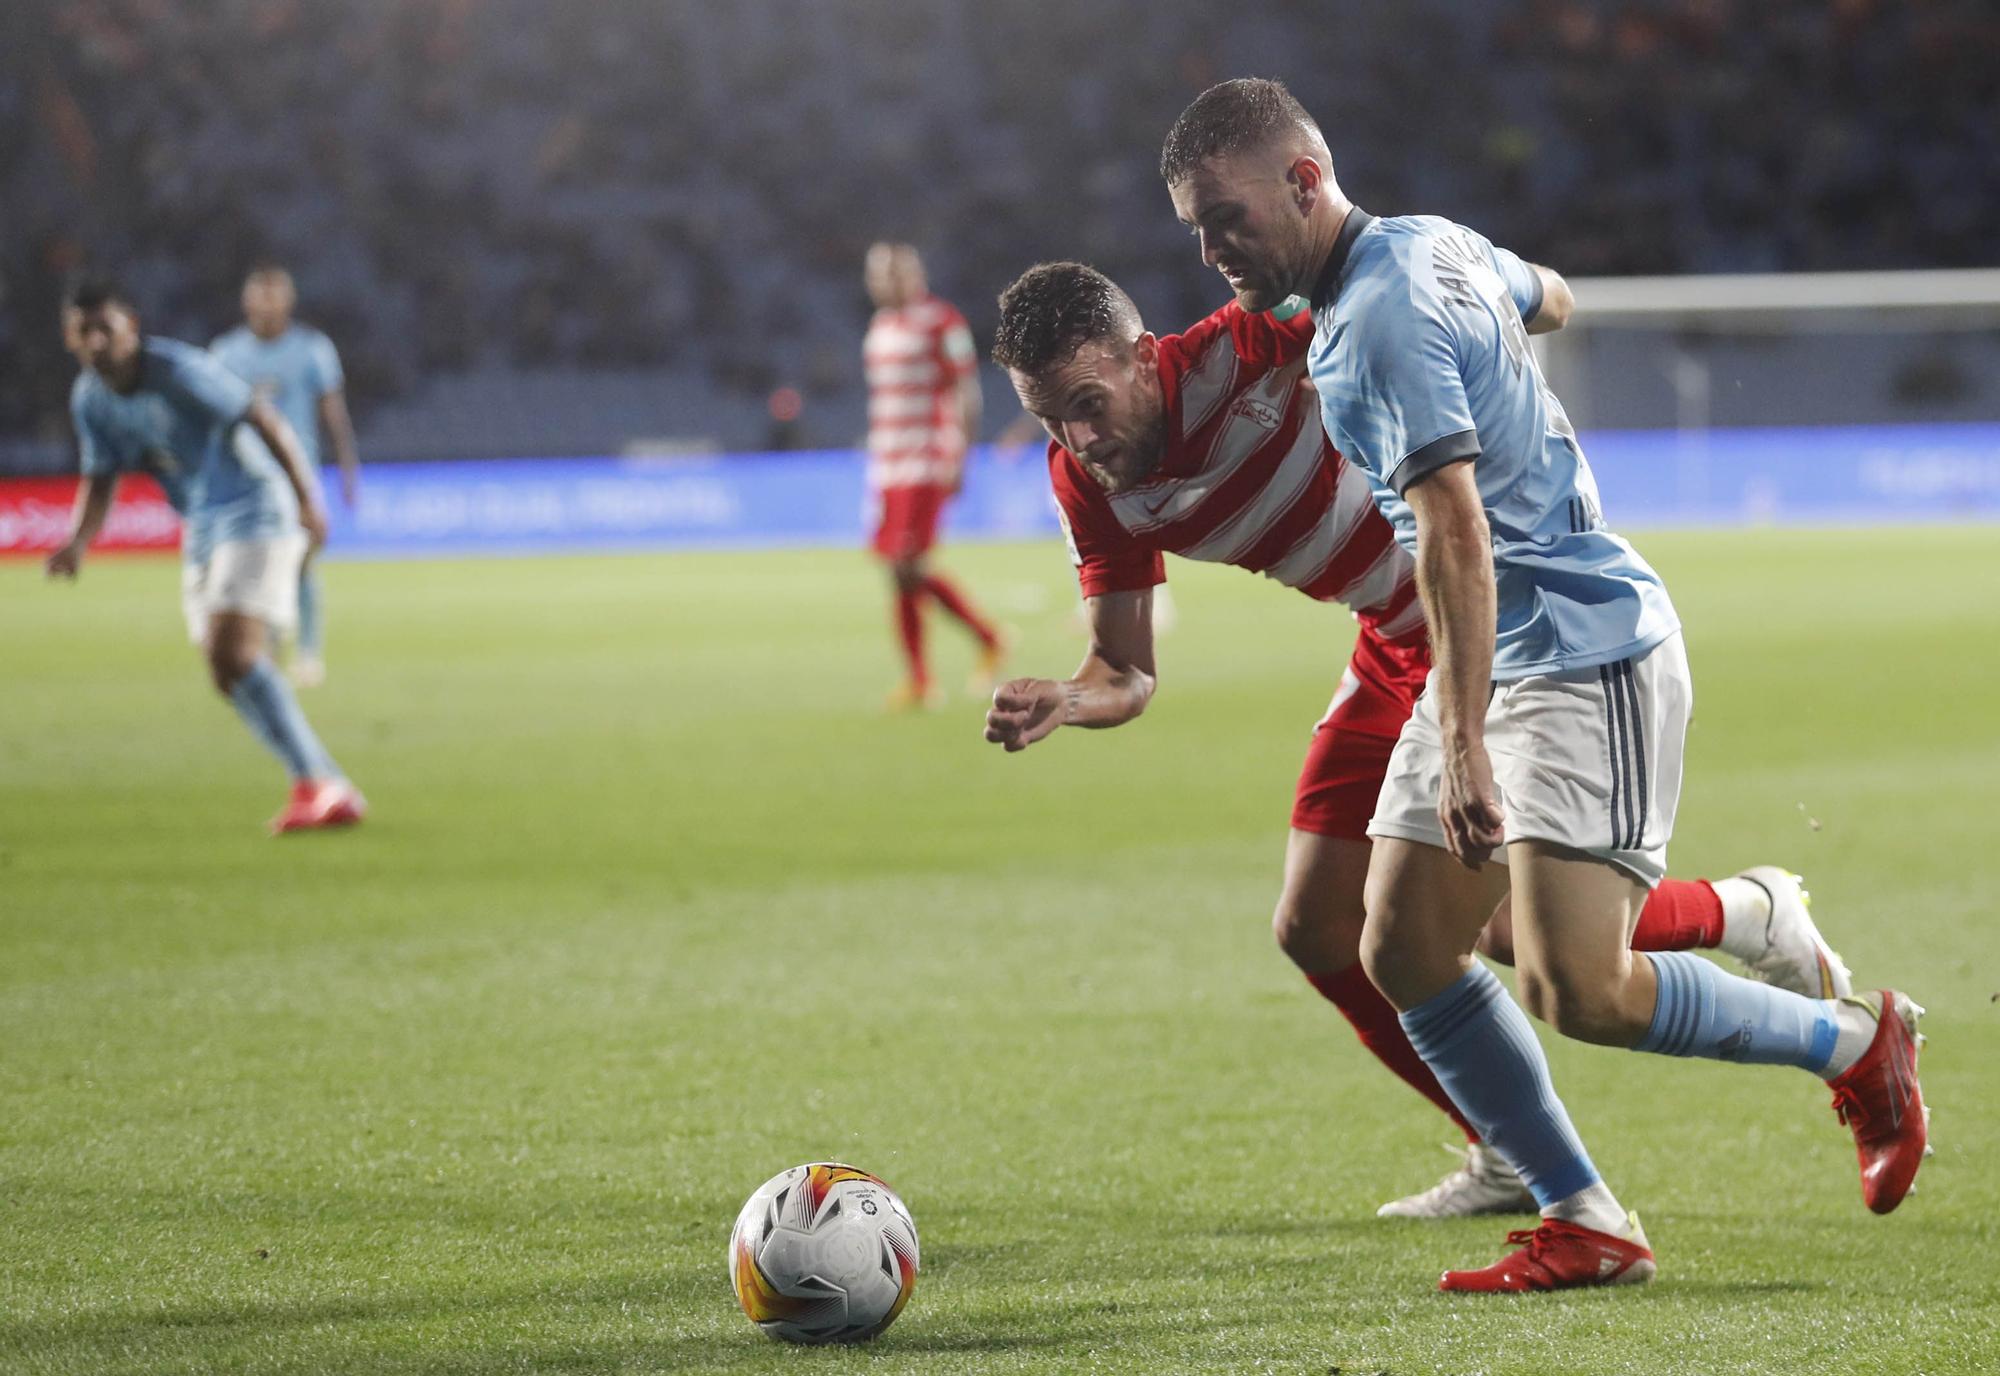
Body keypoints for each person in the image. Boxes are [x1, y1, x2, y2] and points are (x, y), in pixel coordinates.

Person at [1159, 78, 1926, 1291]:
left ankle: (1856, 1041)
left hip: (1576, 653)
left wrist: (1461, 743)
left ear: (1302, 183)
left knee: (1584, 989)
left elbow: (1453, 530)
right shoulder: (1429, 245)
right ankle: (1586, 1214)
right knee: (1403, 944)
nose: (1209, 253)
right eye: (1193, 229)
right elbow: (1549, 296)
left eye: (1224, 219)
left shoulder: (1372, 325)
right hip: (1495, 650)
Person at [985, 259, 1851, 1219]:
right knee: (1319, 927)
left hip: (1486, 636)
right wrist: (1069, 699)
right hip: (1391, 647)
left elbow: (1396, 302)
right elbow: (1126, 672)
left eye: (1088, 401)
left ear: (1144, 358)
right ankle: (1517, 1142)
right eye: (1048, 416)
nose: (1078, 435)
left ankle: (1742, 918)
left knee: (1483, 932)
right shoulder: (1088, 480)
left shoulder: (1250, 345)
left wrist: (1516, 300)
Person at [47, 274, 366, 835]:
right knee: (227, 671)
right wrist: (77, 542)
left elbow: (261, 417)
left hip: (255, 505)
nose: (96, 341)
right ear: (70, 339)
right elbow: (100, 479)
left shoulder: (181, 373)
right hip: (201, 524)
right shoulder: (90, 400)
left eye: (106, 328)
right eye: (83, 332)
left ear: (131, 328)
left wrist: (305, 500)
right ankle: (320, 781)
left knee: (233, 652)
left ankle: (318, 782)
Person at [862, 242, 1007, 709]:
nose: (885, 281)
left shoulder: (942, 322)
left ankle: (928, 677)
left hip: (927, 459)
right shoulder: (880, 327)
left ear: (915, 274)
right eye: (878, 274)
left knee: (908, 563)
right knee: (899, 571)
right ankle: (981, 641)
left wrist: (961, 456)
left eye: (894, 273)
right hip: (888, 462)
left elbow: (966, 389)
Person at [211, 264, 361, 688]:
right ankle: (269, 646)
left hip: (298, 474)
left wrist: (349, 470)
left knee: (298, 563)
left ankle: (308, 652)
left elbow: (334, 413)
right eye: (260, 295)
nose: (267, 304)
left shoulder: (312, 348)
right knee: (251, 569)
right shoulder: (226, 352)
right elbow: (210, 418)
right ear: (246, 301)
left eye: (274, 295)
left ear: (288, 301)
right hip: (244, 478)